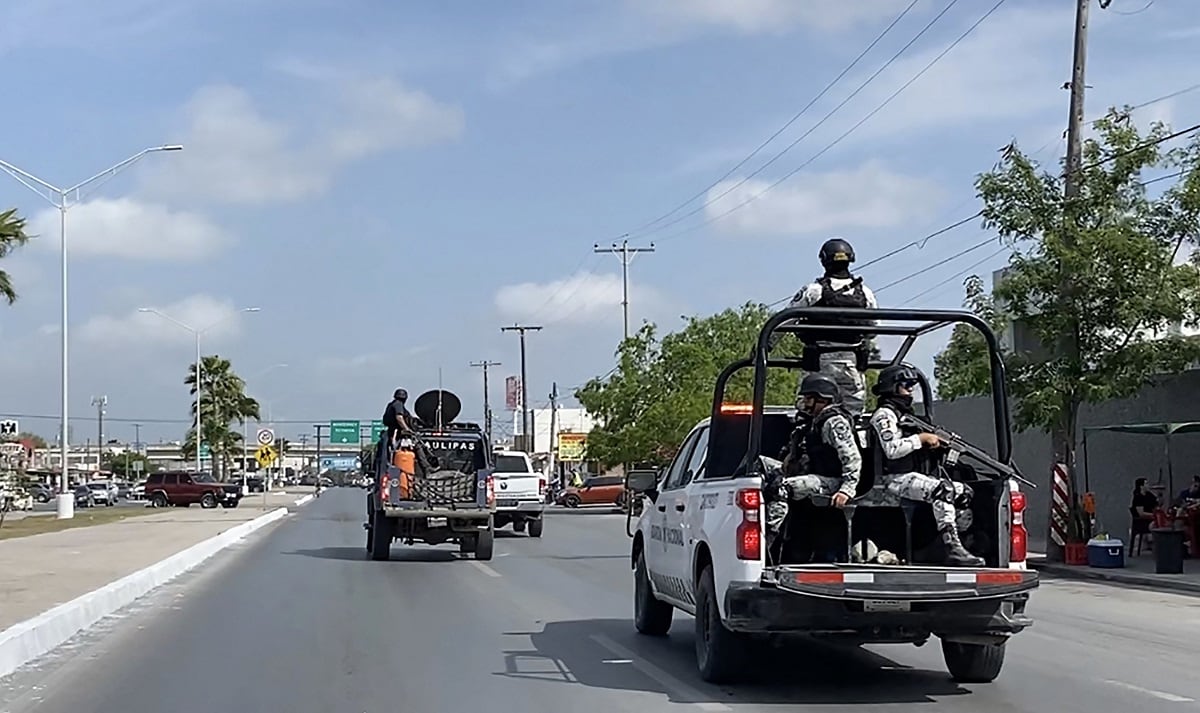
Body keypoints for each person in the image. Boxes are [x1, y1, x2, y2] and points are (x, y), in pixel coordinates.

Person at [868, 365, 984, 567]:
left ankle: (944, 544)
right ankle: (952, 548)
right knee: (943, 489)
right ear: (892, 388)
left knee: (965, 492)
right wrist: (921, 439)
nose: (910, 389)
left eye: (913, 385)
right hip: (892, 479)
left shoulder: (907, 416)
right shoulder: (884, 415)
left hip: (913, 477)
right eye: (906, 385)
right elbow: (892, 450)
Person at [784, 237, 878, 414]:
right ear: (850, 259)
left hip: (818, 362)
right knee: (853, 415)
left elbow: (784, 320)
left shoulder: (813, 291)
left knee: (808, 412)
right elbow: (874, 328)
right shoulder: (866, 293)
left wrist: (762, 349)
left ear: (823, 260)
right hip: (852, 363)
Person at [765, 373, 861, 534]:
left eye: (809, 398)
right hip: (815, 474)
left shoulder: (834, 422)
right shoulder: (812, 422)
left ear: (823, 399)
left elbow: (852, 458)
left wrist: (847, 489)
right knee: (760, 464)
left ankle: (770, 537)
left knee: (781, 488)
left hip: (833, 481)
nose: (805, 403)